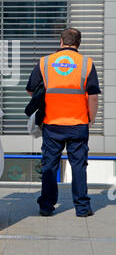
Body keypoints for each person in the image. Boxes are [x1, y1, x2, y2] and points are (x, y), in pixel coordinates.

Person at [26, 28, 101, 217]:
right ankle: (82, 208)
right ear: (78, 43)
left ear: (61, 41)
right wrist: (91, 118)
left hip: (52, 123)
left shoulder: (45, 62)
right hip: (78, 123)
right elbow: (92, 97)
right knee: (79, 165)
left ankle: (46, 206)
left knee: (50, 164)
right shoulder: (86, 64)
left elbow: (30, 90)